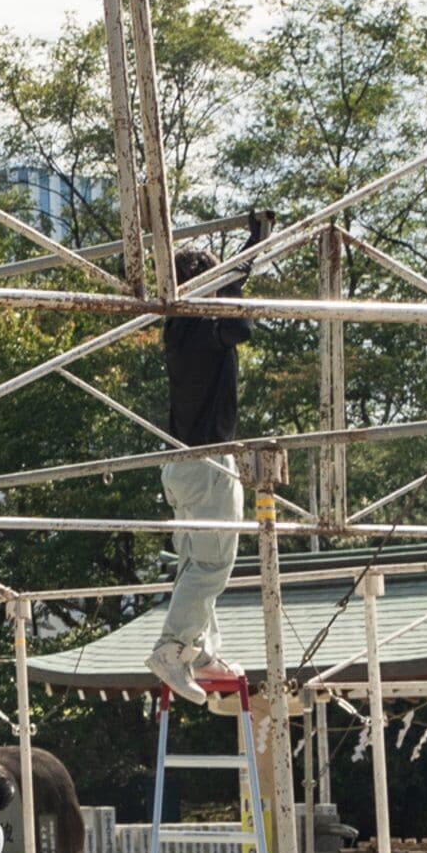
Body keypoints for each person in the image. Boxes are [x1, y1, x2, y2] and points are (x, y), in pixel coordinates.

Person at [146, 221, 268, 705]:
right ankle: (173, 647)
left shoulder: (178, 327)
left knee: (195, 563)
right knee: (213, 564)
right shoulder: (202, 331)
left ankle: (199, 652)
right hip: (207, 463)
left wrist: (251, 251)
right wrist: (244, 260)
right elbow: (240, 324)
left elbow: (230, 310)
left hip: (181, 464)